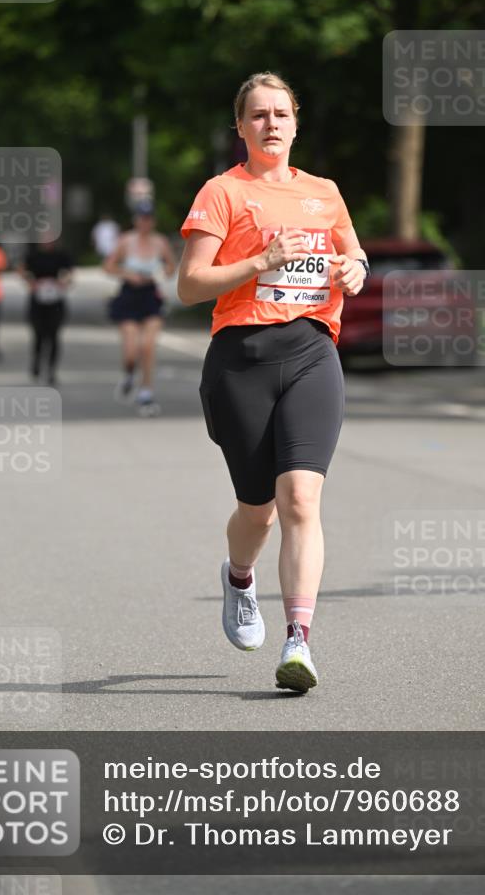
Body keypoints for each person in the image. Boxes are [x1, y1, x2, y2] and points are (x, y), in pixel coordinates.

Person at [177, 72, 369, 693]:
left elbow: (355, 258)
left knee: (301, 501)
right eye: (258, 116)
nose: (271, 125)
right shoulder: (221, 192)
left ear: (296, 122)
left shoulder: (324, 192)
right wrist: (261, 261)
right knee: (257, 511)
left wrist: (354, 270)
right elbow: (189, 285)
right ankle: (239, 577)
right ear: (240, 127)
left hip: (313, 350)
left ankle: (299, 642)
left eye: (281, 114)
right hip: (242, 360)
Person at [104, 200, 176, 415]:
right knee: (131, 350)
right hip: (129, 296)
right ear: (136, 220)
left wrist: (159, 274)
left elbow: (171, 267)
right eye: (141, 218)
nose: (145, 223)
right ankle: (128, 374)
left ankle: (146, 392)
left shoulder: (160, 242)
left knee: (148, 345)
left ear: (152, 221)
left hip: (150, 296)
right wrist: (128, 274)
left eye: (148, 218)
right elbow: (109, 266)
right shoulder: (126, 241)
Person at [18, 239, 74, 386]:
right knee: (38, 334)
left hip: (55, 298)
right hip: (38, 299)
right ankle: (36, 362)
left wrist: (64, 282)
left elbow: (69, 272)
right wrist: (31, 283)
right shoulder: (32, 254)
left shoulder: (62, 254)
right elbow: (22, 270)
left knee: (54, 335)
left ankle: (51, 370)